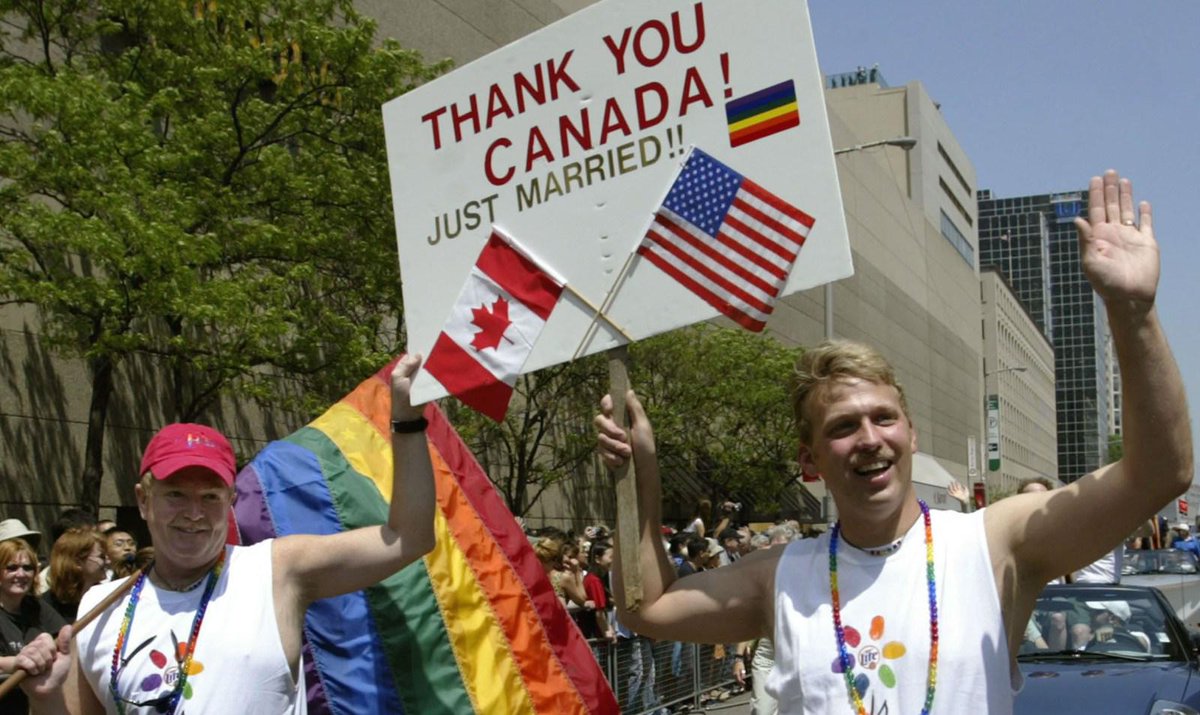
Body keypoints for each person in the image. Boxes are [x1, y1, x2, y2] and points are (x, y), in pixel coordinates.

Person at [595, 170, 1192, 714]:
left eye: (883, 418)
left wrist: (1132, 313)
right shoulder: (782, 575)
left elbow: (1160, 474)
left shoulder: (992, 544)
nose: (869, 439)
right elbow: (647, 607)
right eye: (842, 427)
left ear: (911, 433)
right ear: (809, 460)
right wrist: (642, 473)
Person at [14, 355, 436, 714]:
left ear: (231, 500)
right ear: (143, 501)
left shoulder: (275, 570)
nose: (194, 513)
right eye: (176, 494)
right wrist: (46, 696)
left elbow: (409, 536)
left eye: (211, 496)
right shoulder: (98, 607)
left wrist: (406, 421)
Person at [0, 539, 66, 715]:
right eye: (12, 568)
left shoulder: (36, 606)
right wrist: (16, 663)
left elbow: (66, 638)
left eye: (27, 568)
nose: (21, 574)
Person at [40, 530, 108, 623]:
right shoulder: (44, 607)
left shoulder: (107, 597)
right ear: (77, 562)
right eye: (102, 557)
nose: (108, 561)